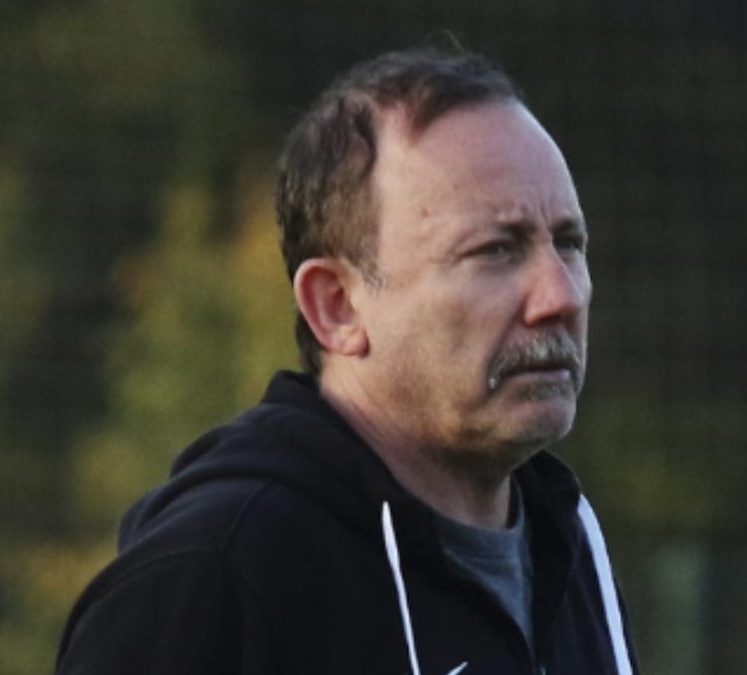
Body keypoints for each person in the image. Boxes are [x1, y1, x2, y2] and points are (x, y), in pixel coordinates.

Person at [56, 46, 639, 675]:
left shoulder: (569, 545)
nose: (560, 296)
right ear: (336, 306)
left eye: (568, 244)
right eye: (495, 251)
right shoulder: (211, 577)